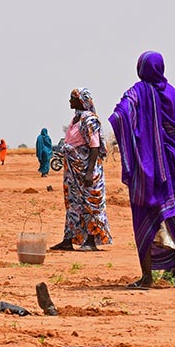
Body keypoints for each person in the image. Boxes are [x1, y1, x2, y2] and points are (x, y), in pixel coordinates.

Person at [109, 51, 175, 289]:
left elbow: (120, 115)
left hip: (148, 165)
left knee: (144, 215)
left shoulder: (138, 92)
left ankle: (147, 278)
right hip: (174, 163)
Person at [52, 88, 112, 252]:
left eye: (72, 98)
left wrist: (89, 171)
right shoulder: (76, 118)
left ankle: (91, 240)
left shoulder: (89, 120)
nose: (70, 101)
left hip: (86, 170)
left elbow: (94, 146)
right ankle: (68, 239)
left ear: (81, 101)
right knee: (73, 204)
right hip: (73, 172)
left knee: (90, 204)